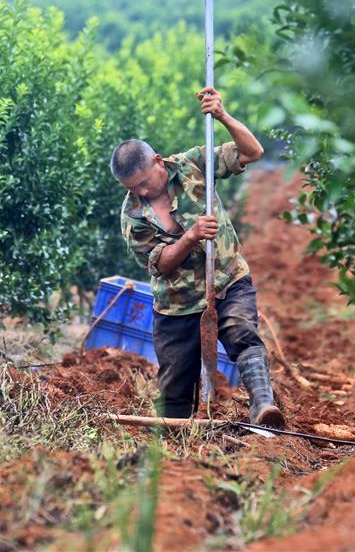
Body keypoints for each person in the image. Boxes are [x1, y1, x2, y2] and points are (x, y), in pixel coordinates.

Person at [110, 86, 285, 428]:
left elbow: (252, 152)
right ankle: (177, 456)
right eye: (133, 189)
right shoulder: (133, 216)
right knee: (175, 385)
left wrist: (221, 115)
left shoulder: (193, 164)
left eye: (145, 183)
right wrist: (190, 237)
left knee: (241, 332)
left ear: (158, 161)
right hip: (176, 303)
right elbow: (159, 265)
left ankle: (264, 407)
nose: (143, 193)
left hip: (226, 279)